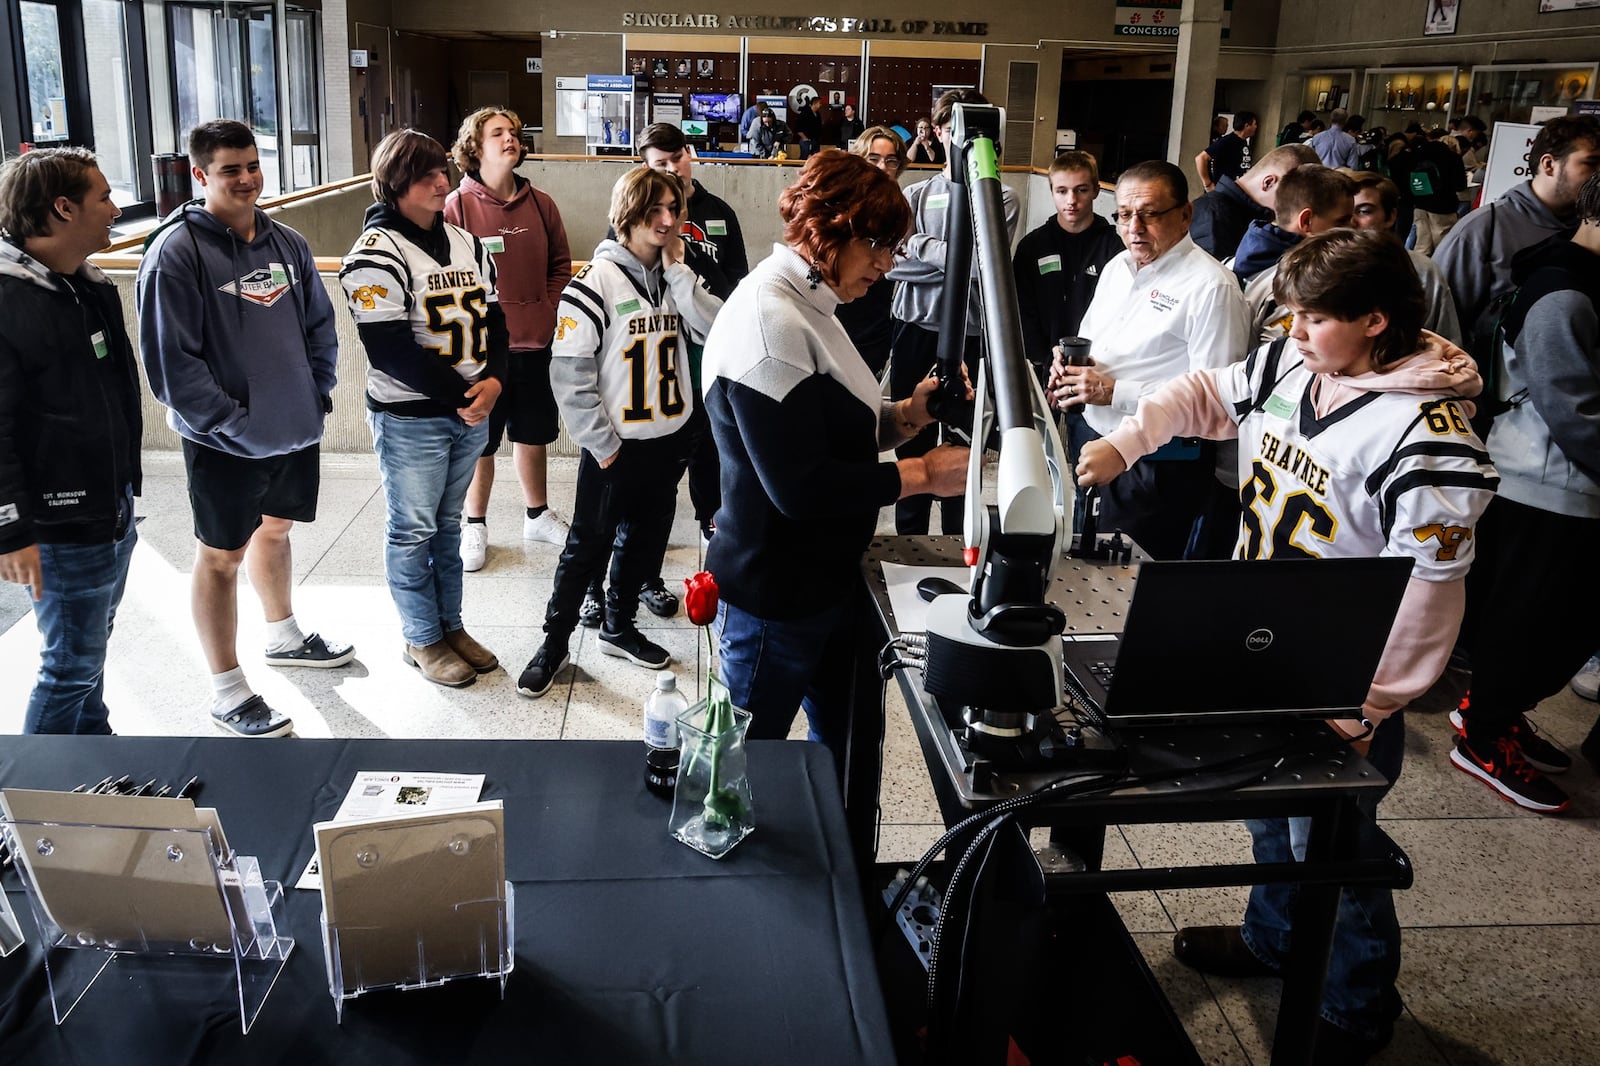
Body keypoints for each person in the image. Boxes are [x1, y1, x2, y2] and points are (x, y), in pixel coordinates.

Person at [1076, 228, 1496, 1065]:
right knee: (1274, 816)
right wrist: (1131, 438)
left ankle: (1352, 1006)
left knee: (1335, 845)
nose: (1293, 333)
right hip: (1266, 638)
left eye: (1313, 319)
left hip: (1343, 675)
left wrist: (1371, 701)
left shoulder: (1430, 439)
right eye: (1291, 317)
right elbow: (1204, 392)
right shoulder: (1294, 365)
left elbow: (1429, 595)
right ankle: (1274, 940)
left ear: (1376, 320)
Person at [700, 149, 968, 762]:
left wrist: (911, 413)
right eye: (876, 242)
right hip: (774, 595)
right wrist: (923, 473)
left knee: (844, 757)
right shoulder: (771, 322)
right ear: (828, 226)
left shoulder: (813, 305)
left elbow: (829, 426)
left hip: (825, 580)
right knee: (740, 769)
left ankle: (835, 856)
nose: (887, 262)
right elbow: (801, 487)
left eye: (893, 245)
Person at [139, 120, 351, 739]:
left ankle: (283, 635)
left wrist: (312, 396)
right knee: (221, 557)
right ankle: (227, 689)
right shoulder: (174, 253)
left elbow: (319, 326)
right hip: (223, 442)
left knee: (277, 532)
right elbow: (172, 367)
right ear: (200, 175)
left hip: (292, 428)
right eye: (231, 169)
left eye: (253, 165)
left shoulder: (286, 243)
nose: (248, 179)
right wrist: (235, 425)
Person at [516, 167, 722, 698]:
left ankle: (618, 625)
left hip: (670, 439)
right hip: (615, 447)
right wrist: (601, 443)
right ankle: (554, 644)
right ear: (627, 214)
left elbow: (714, 331)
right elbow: (569, 372)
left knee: (646, 542)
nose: (667, 219)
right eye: (654, 209)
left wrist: (678, 273)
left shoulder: (679, 279)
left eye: (674, 208)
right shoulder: (595, 281)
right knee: (588, 547)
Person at [1452, 173, 1600, 809]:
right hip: (1547, 486)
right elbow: (1572, 406)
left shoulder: (1573, 274)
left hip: (1566, 487)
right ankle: (1484, 735)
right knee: (1536, 628)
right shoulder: (1564, 290)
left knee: (1550, 627)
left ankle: (1494, 713)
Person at [340, 129, 505, 688]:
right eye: (428, 174)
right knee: (412, 530)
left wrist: (496, 381)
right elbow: (389, 350)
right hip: (414, 418)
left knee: (448, 527)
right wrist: (467, 396)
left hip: (468, 411)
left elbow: (496, 322)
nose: (444, 182)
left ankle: (450, 626)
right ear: (395, 183)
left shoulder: (466, 242)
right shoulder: (374, 254)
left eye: (443, 171)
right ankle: (421, 636)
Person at [576, 122, 745, 628]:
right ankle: (594, 590)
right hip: (640, 382)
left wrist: (683, 276)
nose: (672, 170)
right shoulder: (628, 237)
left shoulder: (719, 214)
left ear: (690, 156)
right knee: (609, 506)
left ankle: (643, 577)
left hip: (698, 375)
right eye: (659, 163)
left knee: (667, 495)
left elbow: (732, 298)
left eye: (678, 158)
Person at [0, 147, 142, 735]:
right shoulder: (9, 300)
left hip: (107, 509)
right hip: (58, 526)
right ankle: (31, 807)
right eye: (104, 197)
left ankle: (92, 755)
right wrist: (10, 532)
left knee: (88, 654)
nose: (114, 209)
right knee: (69, 666)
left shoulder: (85, 285)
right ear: (63, 208)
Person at [1047, 160, 1250, 561]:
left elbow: (1217, 402)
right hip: (1094, 438)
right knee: (1084, 559)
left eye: (1150, 214)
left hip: (1158, 464)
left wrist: (1115, 392)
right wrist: (1067, 363)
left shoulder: (1212, 288)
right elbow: (1097, 343)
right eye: (1124, 214)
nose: (1134, 227)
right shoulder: (1117, 267)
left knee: (1126, 583)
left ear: (1186, 214)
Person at [446, 107, 574, 573]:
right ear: (474, 146)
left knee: (534, 432)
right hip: (483, 351)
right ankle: (475, 523)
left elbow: (561, 265)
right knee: (480, 440)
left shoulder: (542, 204)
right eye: (498, 132)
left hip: (536, 342)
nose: (510, 139)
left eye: (514, 133)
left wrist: (547, 306)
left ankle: (537, 515)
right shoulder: (456, 206)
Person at [887, 87, 1019, 536]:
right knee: (912, 438)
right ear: (941, 131)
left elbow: (987, 268)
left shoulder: (999, 197)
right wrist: (959, 260)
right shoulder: (915, 193)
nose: (954, 134)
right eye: (948, 125)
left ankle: (958, 539)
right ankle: (911, 542)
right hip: (914, 329)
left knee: (965, 446)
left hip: (970, 335)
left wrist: (920, 247)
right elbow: (892, 267)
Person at [1011, 150, 1124, 528]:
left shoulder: (1116, 249)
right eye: (1062, 191)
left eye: (1080, 190)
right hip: (1043, 372)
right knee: (1033, 468)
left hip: (1094, 378)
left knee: (1086, 468)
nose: (1071, 201)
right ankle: (1038, 534)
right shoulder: (1032, 247)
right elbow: (1021, 312)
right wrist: (1043, 364)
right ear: (1052, 192)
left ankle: (1081, 537)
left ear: (1095, 192)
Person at [1434, 115, 1600, 328]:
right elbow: (1441, 324)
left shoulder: (1589, 228)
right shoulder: (1480, 231)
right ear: (1549, 164)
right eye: (1592, 163)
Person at [1234, 164, 1356, 337]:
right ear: (1306, 221)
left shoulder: (1234, 260)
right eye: (1342, 222)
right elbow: (1282, 359)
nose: (1352, 229)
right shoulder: (1299, 282)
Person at [1346, 170, 1463, 343]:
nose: (1351, 222)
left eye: (1364, 211)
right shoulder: (1318, 269)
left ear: (1390, 216)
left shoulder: (1420, 270)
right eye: (1345, 214)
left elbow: (1446, 341)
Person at [836, 126, 908, 378]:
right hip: (836, 313)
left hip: (875, 321)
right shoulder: (839, 203)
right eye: (873, 158)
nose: (882, 167)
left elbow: (900, 265)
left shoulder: (900, 210)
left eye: (890, 160)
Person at [1190, 143, 1320, 261]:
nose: (1296, 210)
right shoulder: (1217, 225)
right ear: (1268, 183)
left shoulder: (1233, 216)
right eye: (1295, 198)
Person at [1408, 128, 1468, 255]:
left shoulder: (1419, 153)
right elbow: (1460, 185)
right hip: (1443, 205)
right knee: (1442, 244)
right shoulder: (1453, 158)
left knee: (1422, 245)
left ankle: (1418, 270)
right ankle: (1440, 271)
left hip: (1419, 203)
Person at [1194, 110, 1258, 194]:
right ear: (1247, 125)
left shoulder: (1244, 142)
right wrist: (1208, 184)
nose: (1256, 127)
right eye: (1254, 124)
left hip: (1236, 190)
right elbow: (1200, 158)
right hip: (1223, 191)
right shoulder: (1227, 141)